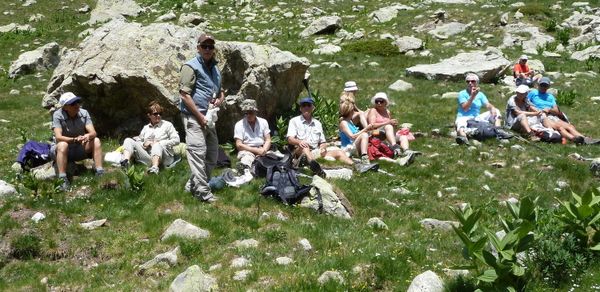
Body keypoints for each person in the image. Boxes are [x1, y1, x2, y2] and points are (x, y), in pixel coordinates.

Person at [179, 33, 225, 203]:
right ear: (198, 48)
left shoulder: (215, 68)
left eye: (210, 46)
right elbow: (184, 95)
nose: (207, 49)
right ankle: (203, 193)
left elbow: (220, 90)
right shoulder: (190, 67)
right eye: (204, 46)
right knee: (198, 154)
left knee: (212, 155)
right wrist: (199, 117)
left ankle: (192, 185)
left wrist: (220, 99)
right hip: (194, 117)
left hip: (210, 117)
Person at [287, 97, 353, 177]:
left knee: (339, 152)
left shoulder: (318, 123)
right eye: (304, 105)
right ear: (300, 108)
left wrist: (323, 148)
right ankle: (314, 166)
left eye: (308, 105)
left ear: (313, 108)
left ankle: (355, 166)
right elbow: (290, 139)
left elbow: (323, 142)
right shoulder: (294, 121)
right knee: (305, 145)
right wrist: (300, 142)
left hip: (315, 151)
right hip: (299, 151)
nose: (306, 107)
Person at [51, 92, 103, 191]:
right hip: (62, 150)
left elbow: (93, 133)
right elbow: (58, 137)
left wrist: (87, 135)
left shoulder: (84, 113)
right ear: (65, 107)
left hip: (79, 147)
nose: (77, 105)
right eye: (73, 104)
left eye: (77, 102)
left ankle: (99, 171)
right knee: (62, 145)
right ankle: (62, 179)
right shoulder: (57, 115)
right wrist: (74, 139)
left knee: (96, 140)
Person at [119, 101, 180, 174]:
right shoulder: (146, 128)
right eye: (155, 114)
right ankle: (126, 162)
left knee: (156, 145)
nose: (158, 115)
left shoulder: (167, 125)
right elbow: (139, 141)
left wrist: (159, 143)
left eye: (160, 113)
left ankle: (155, 168)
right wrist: (145, 144)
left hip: (164, 157)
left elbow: (177, 140)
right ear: (149, 115)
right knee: (128, 140)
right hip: (148, 156)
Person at [527, 77, 586, 144]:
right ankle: (574, 139)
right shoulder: (533, 93)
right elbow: (526, 103)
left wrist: (549, 109)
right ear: (538, 85)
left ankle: (584, 139)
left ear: (548, 86)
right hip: (541, 115)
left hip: (551, 115)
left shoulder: (550, 96)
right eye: (542, 85)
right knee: (560, 127)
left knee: (570, 126)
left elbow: (556, 110)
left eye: (545, 85)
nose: (543, 87)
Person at [455, 73, 503, 145]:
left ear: (477, 83)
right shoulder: (462, 94)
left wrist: (492, 108)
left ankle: (499, 130)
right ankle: (463, 138)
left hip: (476, 117)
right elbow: (465, 108)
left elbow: (487, 104)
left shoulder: (480, 94)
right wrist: (472, 96)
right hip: (464, 116)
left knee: (497, 111)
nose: (470, 83)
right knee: (461, 124)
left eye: (473, 81)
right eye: (468, 81)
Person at [234, 99, 271, 171]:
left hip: (262, 148)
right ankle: (245, 169)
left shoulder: (263, 122)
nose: (248, 115)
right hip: (247, 149)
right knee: (247, 159)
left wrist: (264, 150)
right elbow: (239, 145)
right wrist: (256, 151)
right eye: (246, 113)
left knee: (273, 158)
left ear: (255, 112)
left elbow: (268, 139)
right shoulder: (239, 124)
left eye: (250, 112)